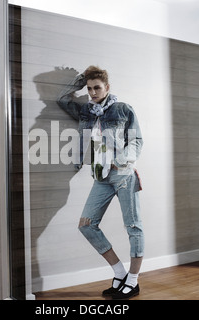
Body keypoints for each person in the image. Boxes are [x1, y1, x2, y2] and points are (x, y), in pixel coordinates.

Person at [57, 66, 144, 299]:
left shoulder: (123, 109)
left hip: (124, 175)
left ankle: (133, 281)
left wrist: (121, 159)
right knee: (87, 224)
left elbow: (137, 141)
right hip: (100, 176)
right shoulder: (86, 111)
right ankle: (119, 272)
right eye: (89, 88)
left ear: (107, 87)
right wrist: (78, 81)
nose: (93, 92)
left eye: (97, 87)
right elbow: (62, 99)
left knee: (133, 227)